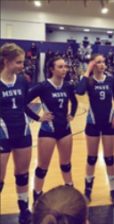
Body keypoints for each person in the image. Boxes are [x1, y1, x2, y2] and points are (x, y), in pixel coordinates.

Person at [0, 43, 52, 224]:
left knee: (22, 174)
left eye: (23, 62)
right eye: (19, 62)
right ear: (6, 62)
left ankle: (24, 210)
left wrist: (38, 119)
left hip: (22, 131)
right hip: (2, 134)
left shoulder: (22, 81)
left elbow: (24, 105)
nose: (22, 66)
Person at [26, 56, 78, 204]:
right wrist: (37, 118)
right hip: (47, 131)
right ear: (51, 69)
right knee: (43, 167)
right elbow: (23, 102)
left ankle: (70, 192)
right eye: (61, 67)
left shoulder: (67, 86)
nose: (64, 69)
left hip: (65, 130)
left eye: (65, 67)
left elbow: (74, 102)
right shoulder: (43, 86)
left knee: (66, 164)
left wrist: (72, 114)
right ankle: (37, 195)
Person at [76, 53, 114, 205]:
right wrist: (87, 70)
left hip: (109, 123)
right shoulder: (88, 81)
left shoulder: (110, 80)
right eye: (99, 62)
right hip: (92, 123)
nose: (102, 65)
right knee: (92, 158)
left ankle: (113, 190)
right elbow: (80, 91)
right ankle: (88, 189)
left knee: (109, 158)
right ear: (93, 64)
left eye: (103, 62)